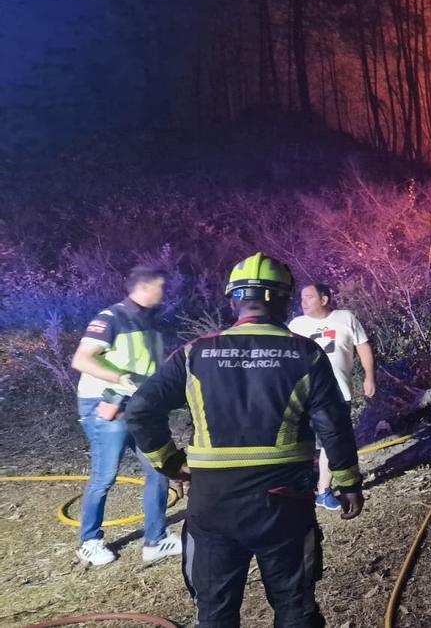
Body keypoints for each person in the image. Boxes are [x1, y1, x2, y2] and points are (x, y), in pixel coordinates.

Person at [126, 253, 363, 627]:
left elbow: (139, 409)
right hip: (283, 504)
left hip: (213, 505)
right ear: (284, 301)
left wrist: (169, 462)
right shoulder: (306, 354)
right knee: (295, 608)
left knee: (216, 613)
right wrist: (348, 482)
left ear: (234, 300)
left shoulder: (193, 354)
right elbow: (333, 424)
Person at [70, 264, 179, 566]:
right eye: (161, 286)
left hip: (139, 408)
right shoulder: (110, 318)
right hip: (107, 406)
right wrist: (119, 382)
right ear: (144, 287)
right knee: (105, 476)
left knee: (159, 470)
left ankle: (156, 541)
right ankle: (89, 542)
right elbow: (81, 359)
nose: (165, 292)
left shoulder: (152, 323)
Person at [288, 283, 376, 511]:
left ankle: (323, 491)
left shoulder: (345, 318)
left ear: (324, 300)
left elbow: (363, 346)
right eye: (302, 297)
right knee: (303, 443)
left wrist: (369, 377)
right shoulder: (296, 325)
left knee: (331, 442)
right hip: (304, 395)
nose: (303, 301)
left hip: (338, 393)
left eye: (309, 297)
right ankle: (300, 489)